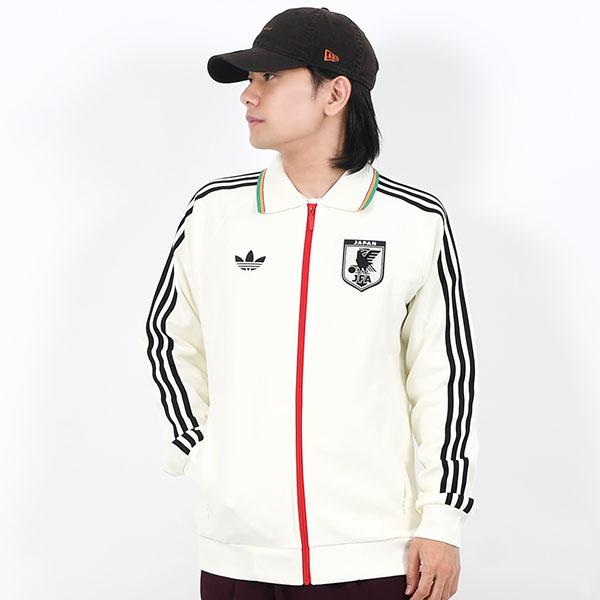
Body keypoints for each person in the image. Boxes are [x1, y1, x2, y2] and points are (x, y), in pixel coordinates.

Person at [145, 7, 479, 600]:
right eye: (250, 80)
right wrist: (207, 454)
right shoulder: (215, 214)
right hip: (240, 552)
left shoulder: (413, 221)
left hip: (374, 553)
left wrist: (442, 519)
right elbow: (169, 340)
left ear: (336, 93)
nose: (249, 95)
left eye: (271, 77)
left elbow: (443, 377)